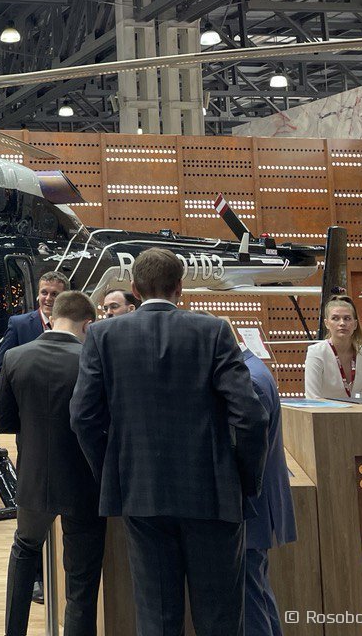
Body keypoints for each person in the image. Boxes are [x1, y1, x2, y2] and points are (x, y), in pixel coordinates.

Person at [70, 248, 268, 636]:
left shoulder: (103, 335)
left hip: (142, 492)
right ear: (180, 287)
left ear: (134, 288)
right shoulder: (213, 331)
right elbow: (250, 415)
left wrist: (115, 472)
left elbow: (83, 418)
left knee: (157, 619)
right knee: (221, 621)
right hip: (213, 496)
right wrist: (244, 480)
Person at [0, 290, 104, 636]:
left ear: (52, 318)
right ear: (87, 324)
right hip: (83, 480)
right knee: (82, 579)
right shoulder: (91, 360)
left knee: (24, 551)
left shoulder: (15, 357)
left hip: (34, 477)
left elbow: (2, 423)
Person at [228, 319, 297, 636]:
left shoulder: (250, 380)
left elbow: (249, 449)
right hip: (259, 503)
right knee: (258, 592)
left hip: (252, 504)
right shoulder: (252, 368)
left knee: (251, 600)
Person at [0, 272, 68, 383]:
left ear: (65, 298)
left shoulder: (74, 326)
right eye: (44, 292)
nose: (48, 298)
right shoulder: (19, 325)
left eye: (54, 294)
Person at [304, 296, 362, 400]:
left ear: (355, 324)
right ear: (326, 324)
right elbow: (312, 398)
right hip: (323, 410)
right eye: (335, 318)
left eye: (347, 318)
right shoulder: (316, 352)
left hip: (356, 410)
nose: (342, 323)